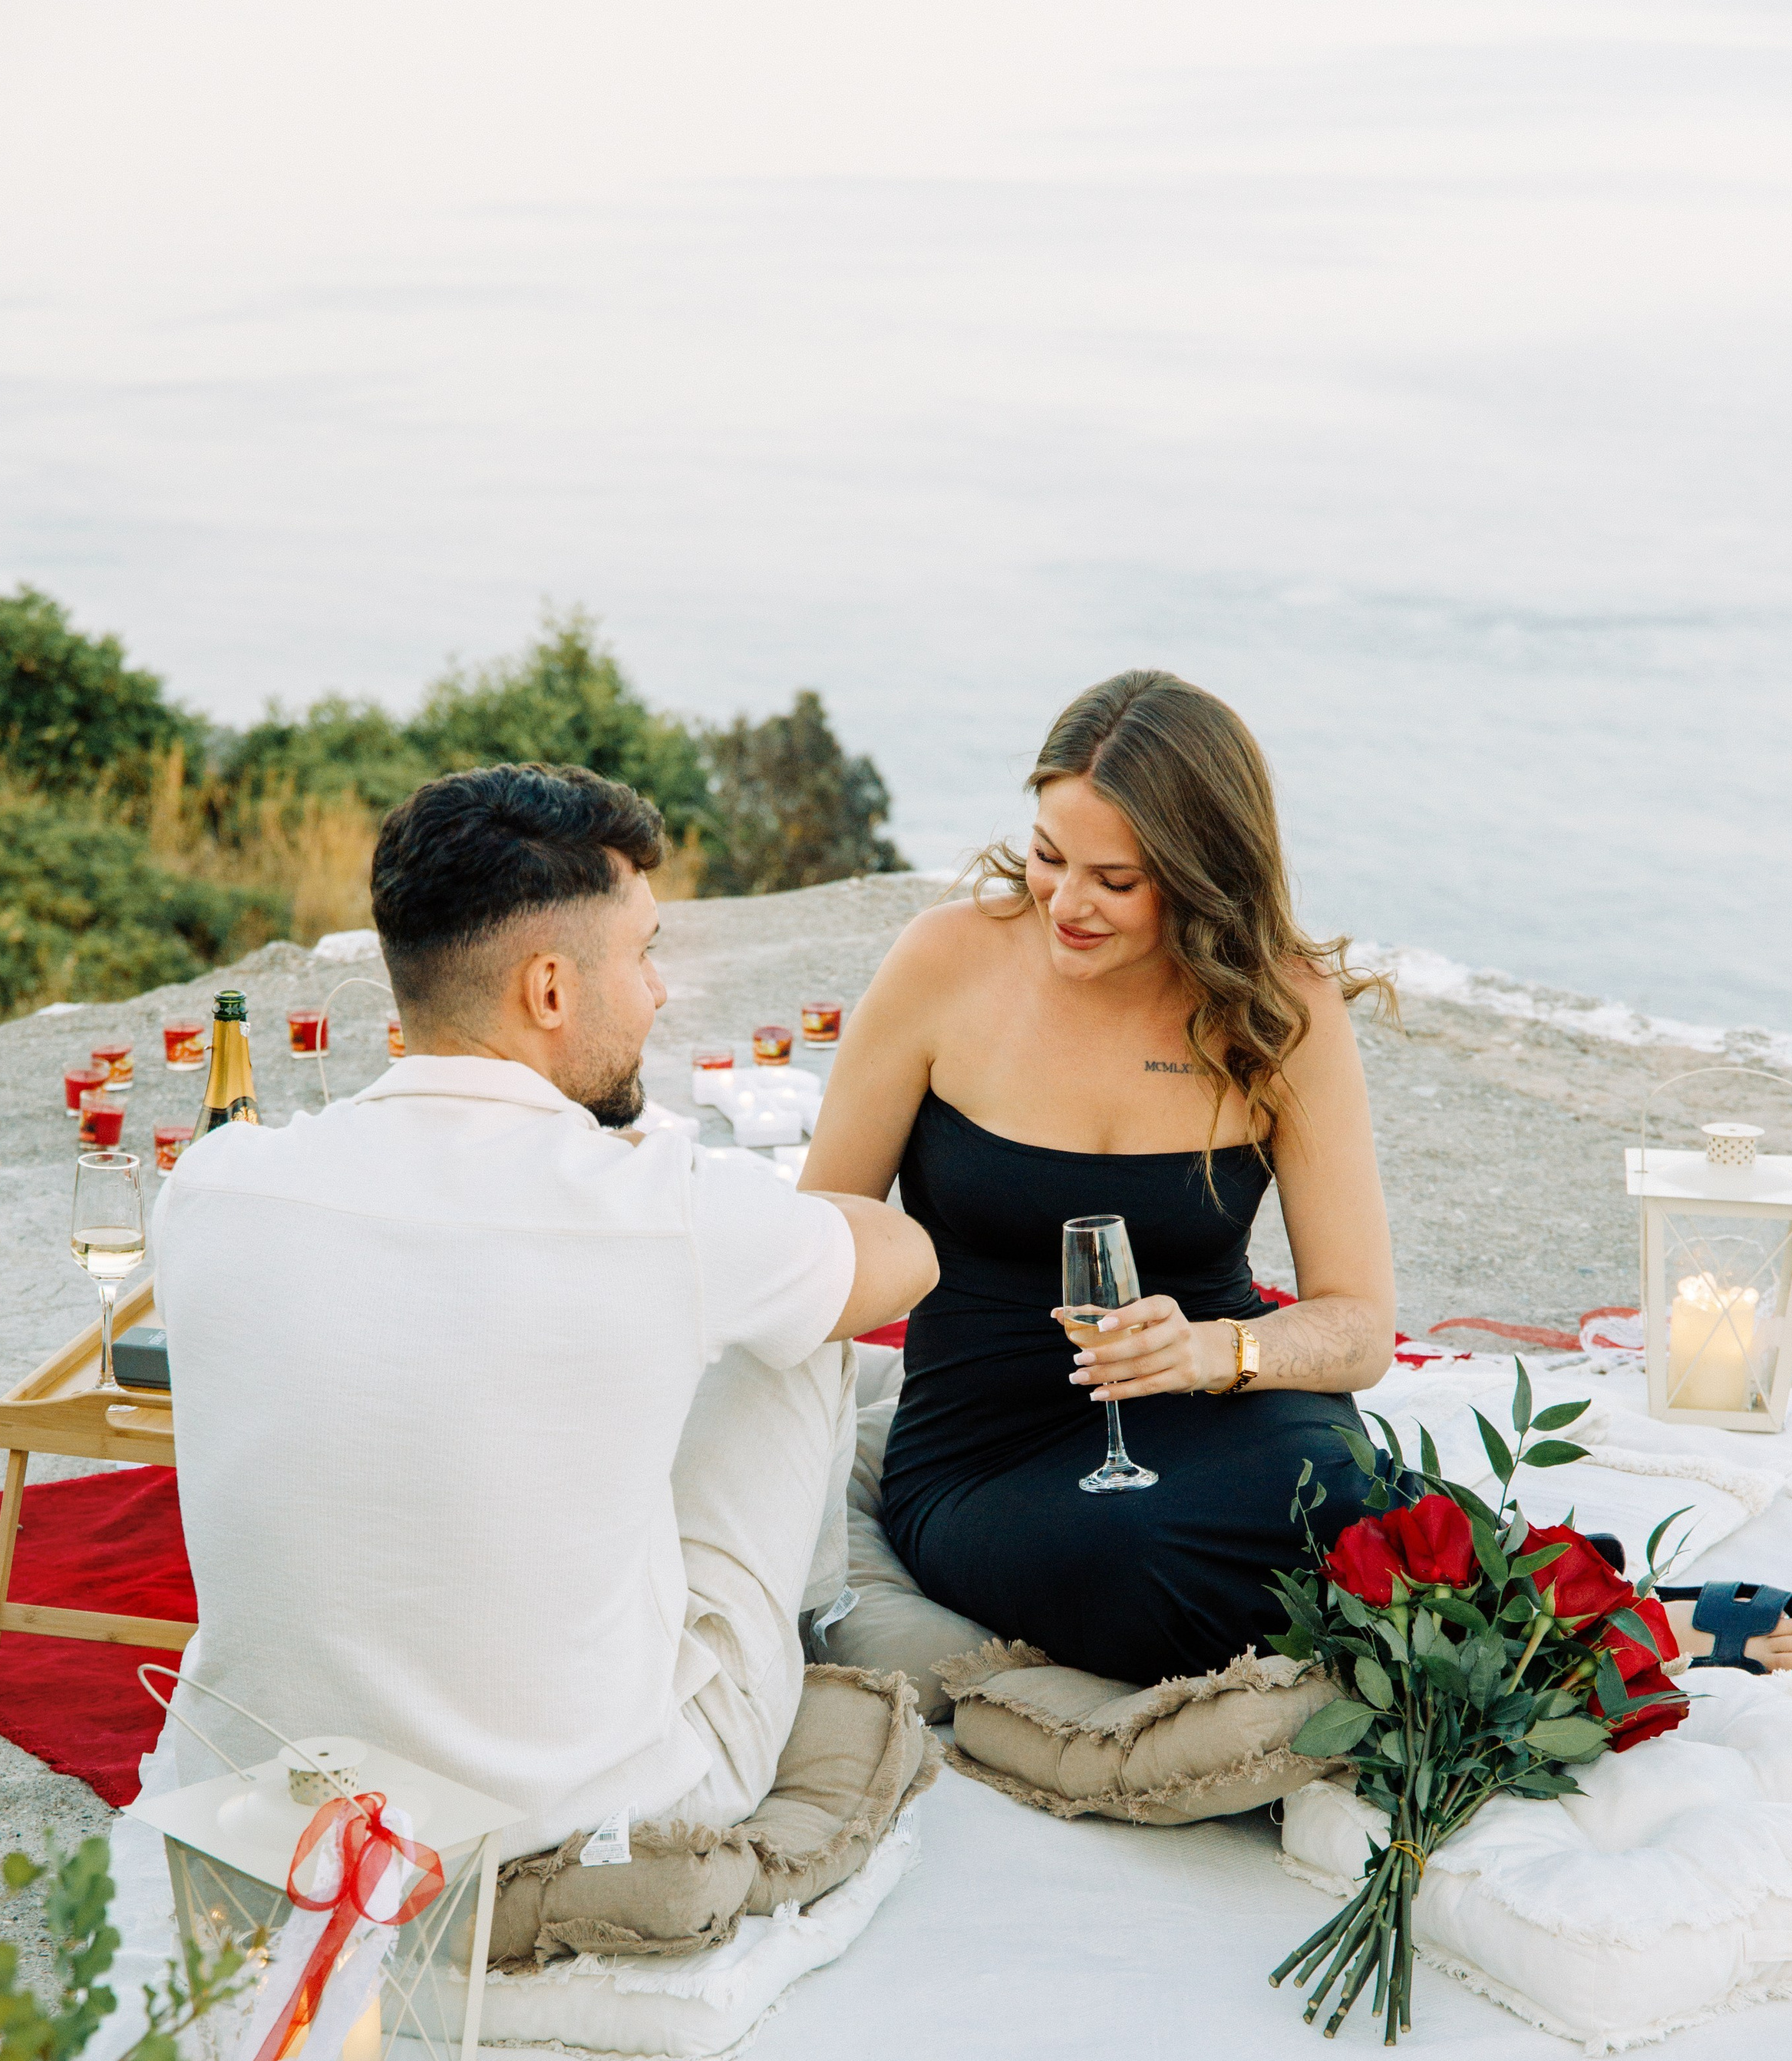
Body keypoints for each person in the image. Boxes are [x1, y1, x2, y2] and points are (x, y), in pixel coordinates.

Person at [153, 763, 937, 1860]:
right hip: (578, 1811)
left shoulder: (213, 1184)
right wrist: (683, 1193)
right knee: (799, 1335)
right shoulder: (650, 1208)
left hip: (267, 1788)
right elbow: (904, 1260)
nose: (659, 992)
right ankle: (810, 1636)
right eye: (644, 953)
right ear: (552, 991)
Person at [801, 670, 1394, 1689]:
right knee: (1134, 1558)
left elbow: (1361, 1328)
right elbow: (815, 1246)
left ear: (1203, 876)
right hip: (988, 1449)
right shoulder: (946, 963)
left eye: (1114, 881)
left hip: (1222, 1409)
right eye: (1048, 856)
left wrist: (1214, 1349)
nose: (1067, 904)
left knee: (1344, 1495)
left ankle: (1465, 1619)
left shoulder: (1280, 1011)